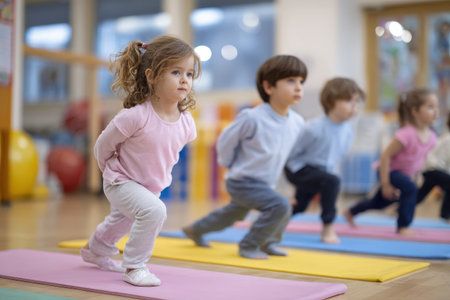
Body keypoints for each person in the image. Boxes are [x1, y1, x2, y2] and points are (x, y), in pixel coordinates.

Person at [80, 35, 201, 286]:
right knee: (154, 211)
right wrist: (110, 172)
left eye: (189, 74)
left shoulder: (186, 121)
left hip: (150, 186)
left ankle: (97, 250)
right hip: (120, 181)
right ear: (152, 76)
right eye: (176, 72)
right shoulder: (135, 116)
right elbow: (103, 145)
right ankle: (135, 266)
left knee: (122, 221)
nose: (184, 80)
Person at [183, 55, 308, 259]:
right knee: (280, 206)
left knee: (235, 213)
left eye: (301, 82)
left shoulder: (297, 122)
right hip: (242, 181)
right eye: (291, 81)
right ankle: (250, 245)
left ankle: (196, 229)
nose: (298, 87)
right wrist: (227, 163)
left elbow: (289, 153)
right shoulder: (253, 117)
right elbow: (226, 140)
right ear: (269, 87)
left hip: (265, 183)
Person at [344, 88, 439, 235]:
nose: (436, 111)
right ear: (415, 111)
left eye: (436, 107)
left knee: (378, 203)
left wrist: (417, 175)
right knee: (410, 189)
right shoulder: (406, 134)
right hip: (388, 171)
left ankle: (350, 212)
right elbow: (385, 156)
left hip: (404, 175)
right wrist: (386, 183)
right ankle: (403, 226)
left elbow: (420, 158)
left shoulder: (432, 137)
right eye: (430, 107)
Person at [284, 77, 365, 244]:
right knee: (333, 181)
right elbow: (292, 152)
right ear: (331, 102)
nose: (354, 107)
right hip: (297, 168)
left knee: (300, 206)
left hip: (319, 172)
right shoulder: (313, 127)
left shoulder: (347, 131)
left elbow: (335, 157)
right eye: (349, 101)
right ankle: (328, 228)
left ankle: (271, 220)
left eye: (357, 102)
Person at [416, 112, 450, 222]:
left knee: (420, 195)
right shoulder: (448, 138)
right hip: (433, 169)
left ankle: (400, 208)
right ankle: (444, 216)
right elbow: (444, 162)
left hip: (431, 169)